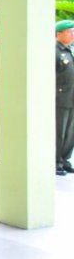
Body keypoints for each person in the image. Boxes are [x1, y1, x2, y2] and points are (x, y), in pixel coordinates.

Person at [55, 20, 74, 175]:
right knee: (59, 131)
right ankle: (56, 161)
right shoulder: (54, 51)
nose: (72, 34)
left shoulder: (69, 51)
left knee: (70, 132)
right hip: (59, 99)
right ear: (58, 34)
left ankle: (65, 159)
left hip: (71, 97)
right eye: (69, 31)